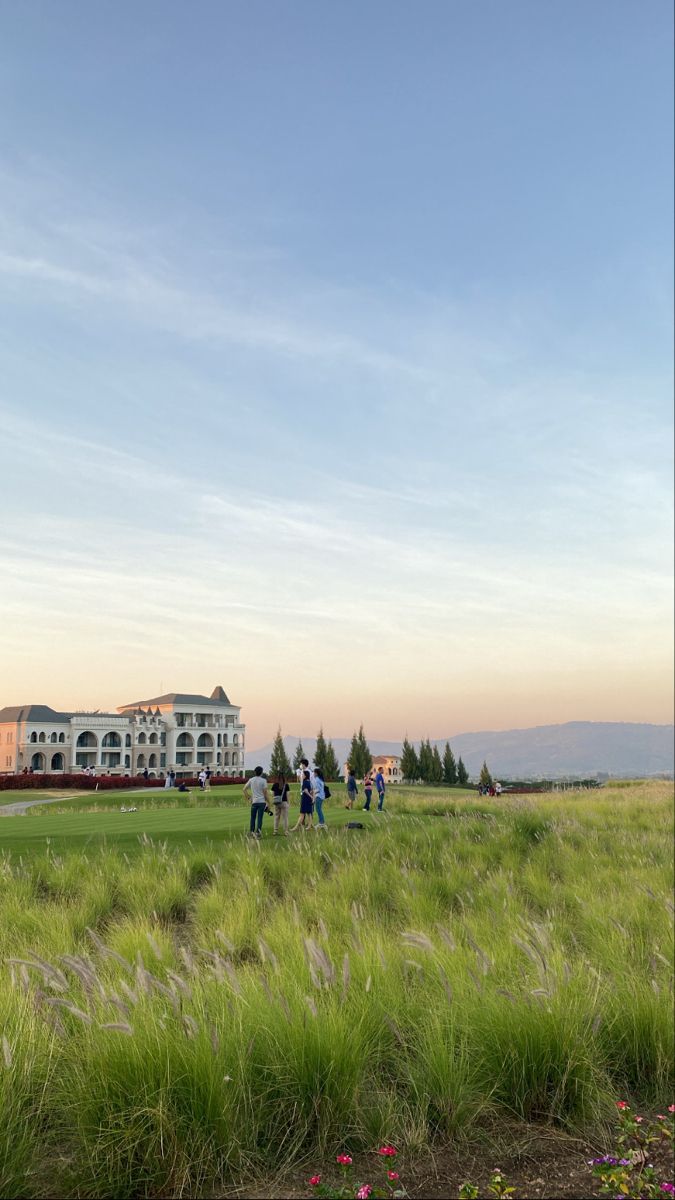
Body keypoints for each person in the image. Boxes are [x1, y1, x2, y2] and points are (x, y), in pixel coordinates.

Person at [243, 766, 270, 839]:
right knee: (260, 818)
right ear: (261, 772)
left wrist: (249, 797)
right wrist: (268, 802)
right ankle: (258, 833)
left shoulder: (251, 780)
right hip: (261, 802)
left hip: (254, 801)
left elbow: (244, 789)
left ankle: (251, 832)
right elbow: (265, 793)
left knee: (253, 817)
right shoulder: (263, 780)